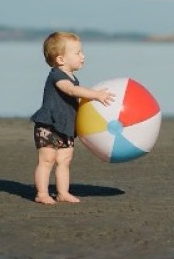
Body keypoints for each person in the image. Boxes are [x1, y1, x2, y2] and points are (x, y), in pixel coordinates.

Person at [30, 32, 114, 205]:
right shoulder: (57, 75)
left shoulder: (73, 78)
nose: (83, 56)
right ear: (61, 59)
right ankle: (42, 193)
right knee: (47, 160)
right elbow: (71, 91)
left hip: (66, 126)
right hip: (49, 126)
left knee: (64, 160)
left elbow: (76, 97)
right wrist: (95, 94)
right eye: (77, 53)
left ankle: (62, 193)